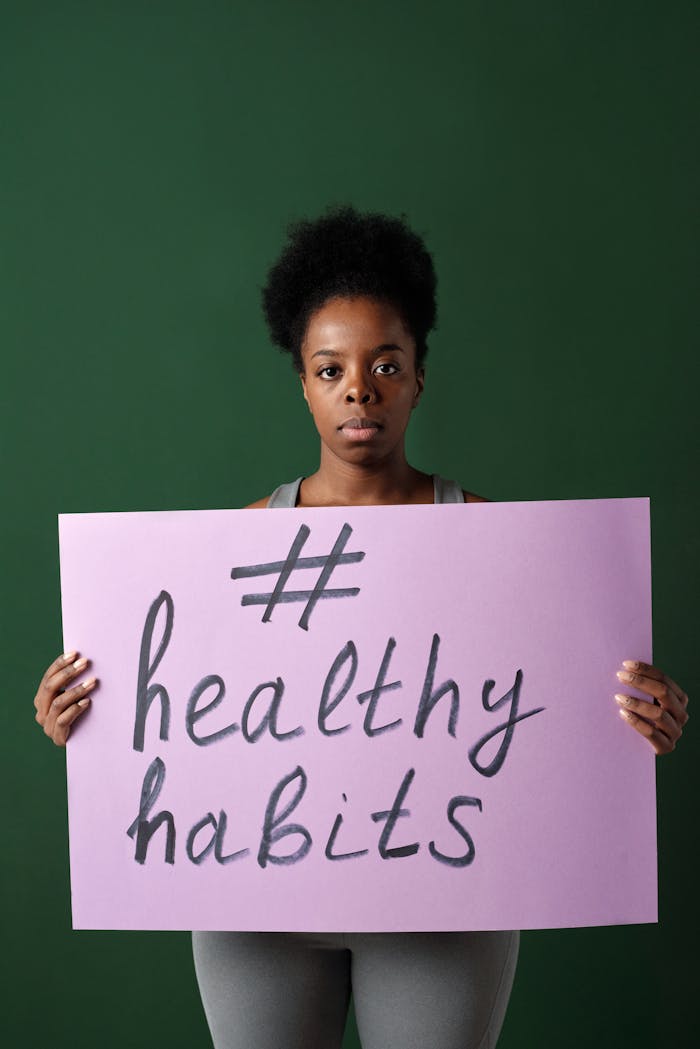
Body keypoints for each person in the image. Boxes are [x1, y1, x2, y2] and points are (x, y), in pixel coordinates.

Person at [33, 204, 690, 1049]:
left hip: (446, 902)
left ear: (419, 376)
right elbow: (167, 716)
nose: (359, 388)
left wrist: (641, 719)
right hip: (254, 904)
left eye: (386, 363)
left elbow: (567, 707)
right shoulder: (227, 550)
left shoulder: (507, 546)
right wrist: (83, 721)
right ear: (302, 384)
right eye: (331, 366)